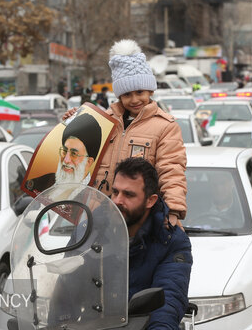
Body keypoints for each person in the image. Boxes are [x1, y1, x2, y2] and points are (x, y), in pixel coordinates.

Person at [64, 39, 187, 228]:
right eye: (127, 94)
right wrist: (73, 121)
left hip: (139, 221)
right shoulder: (104, 121)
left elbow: (172, 171)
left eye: (140, 92)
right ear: (119, 96)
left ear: (150, 91)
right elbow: (78, 156)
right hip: (97, 217)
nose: (135, 99)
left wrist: (173, 209)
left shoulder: (165, 127)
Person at [110, 158, 192, 330]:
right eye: (114, 191)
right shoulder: (96, 229)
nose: (117, 200)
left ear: (151, 200)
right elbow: (68, 277)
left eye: (128, 194)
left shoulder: (171, 240)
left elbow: (170, 291)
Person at [25, 112, 102, 193]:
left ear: (89, 162)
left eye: (74, 154)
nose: (66, 160)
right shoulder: (45, 181)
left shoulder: (93, 193)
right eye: (64, 151)